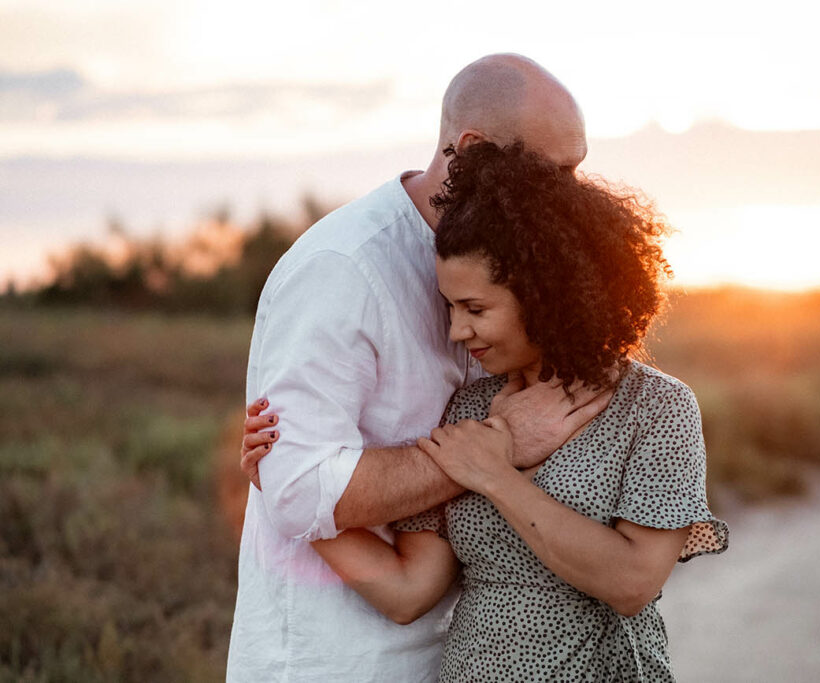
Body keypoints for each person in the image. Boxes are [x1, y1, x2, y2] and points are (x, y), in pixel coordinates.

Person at [244, 142, 729, 681]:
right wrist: (290, 485)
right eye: (450, 307)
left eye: (475, 309)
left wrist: (498, 476)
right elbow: (408, 592)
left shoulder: (657, 408)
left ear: (550, 297)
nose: (456, 331)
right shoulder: (470, 406)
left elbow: (632, 584)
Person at [226, 55, 613, 682]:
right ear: (475, 150)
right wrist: (501, 443)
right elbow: (300, 487)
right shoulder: (342, 270)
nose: (572, 194)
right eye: (556, 172)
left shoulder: (538, 274)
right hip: (339, 663)